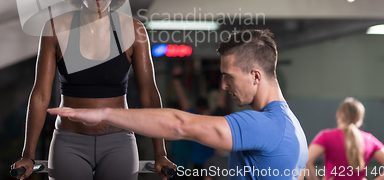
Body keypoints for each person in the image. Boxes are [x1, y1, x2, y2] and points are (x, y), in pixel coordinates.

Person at [11, 0, 174, 180]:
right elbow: (41, 95)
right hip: (69, 142)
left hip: (119, 141)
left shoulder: (134, 31)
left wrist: (160, 152)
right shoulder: (55, 28)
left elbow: (150, 93)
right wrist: (29, 154)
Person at [49, 29, 309, 180]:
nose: (223, 86)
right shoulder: (292, 125)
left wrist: (104, 113)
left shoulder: (265, 126)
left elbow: (179, 125)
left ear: (255, 75)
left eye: (228, 77)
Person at [306, 98, 384, 180]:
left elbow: (306, 161)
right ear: (360, 119)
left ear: (338, 115)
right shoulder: (369, 140)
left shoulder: (326, 136)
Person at [172, 65, 228, 179]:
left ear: (197, 109)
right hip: (210, 164)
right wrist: (224, 76)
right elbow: (221, 98)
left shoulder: (194, 119)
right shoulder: (213, 119)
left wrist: (176, 78)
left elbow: (183, 100)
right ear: (208, 108)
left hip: (200, 165)